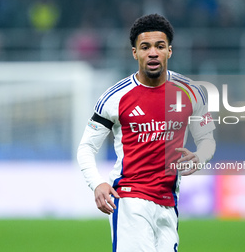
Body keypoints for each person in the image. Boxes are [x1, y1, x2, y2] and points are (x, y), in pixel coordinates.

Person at [77, 14, 216, 252]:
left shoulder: (192, 93)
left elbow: (207, 141)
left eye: (159, 46)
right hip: (129, 198)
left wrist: (200, 156)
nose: (153, 52)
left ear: (169, 51)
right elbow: (86, 147)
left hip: (168, 202)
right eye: (145, 47)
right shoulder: (115, 97)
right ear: (135, 53)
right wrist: (97, 183)